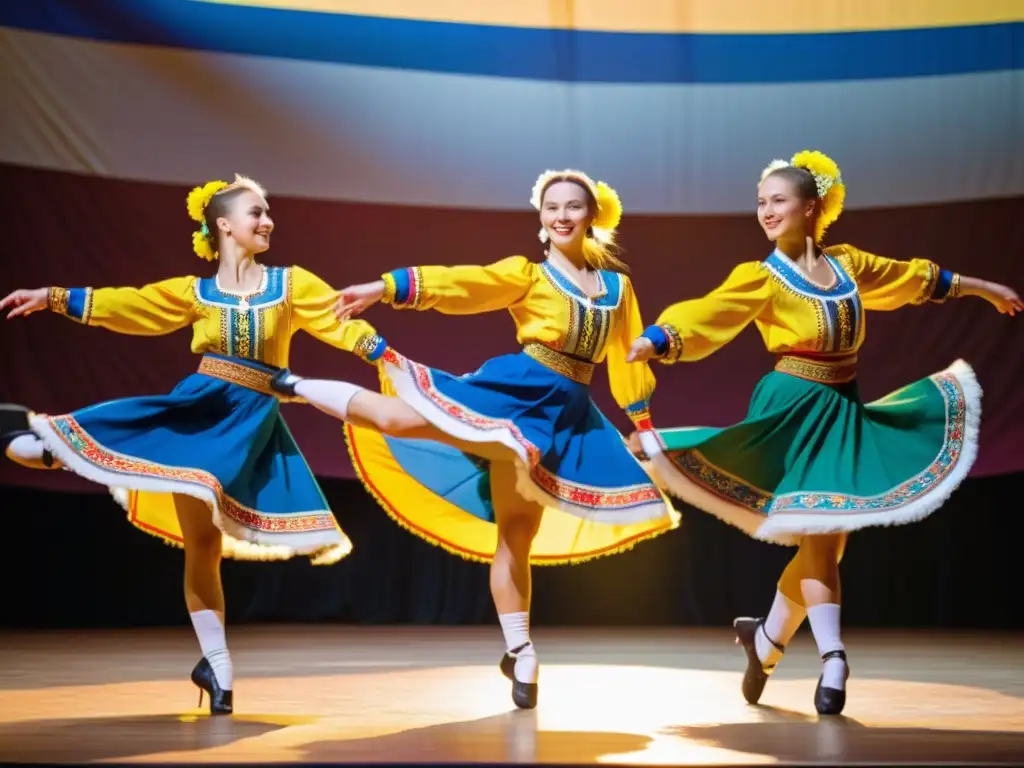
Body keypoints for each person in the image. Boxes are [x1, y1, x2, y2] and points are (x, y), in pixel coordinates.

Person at [626, 150, 1021, 716]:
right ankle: (833, 656)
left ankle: (765, 641)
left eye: (778, 200)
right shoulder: (761, 276)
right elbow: (709, 313)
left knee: (829, 536)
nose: (765, 211)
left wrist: (983, 288)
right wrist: (659, 339)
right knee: (821, 530)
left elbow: (911, 277)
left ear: (812, 206)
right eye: (760, 202)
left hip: (840, 407)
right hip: (792, 407)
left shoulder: (847, 265)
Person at [269, 169, 680, 709]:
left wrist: (641, 420)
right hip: (518, 393)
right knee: (397, 420)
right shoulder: (528, 276)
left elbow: (628, 360)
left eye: (572, 207)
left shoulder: (617, 290)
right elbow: (460, 283)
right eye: (551, 206)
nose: (561, 215)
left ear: (592, 216)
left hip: (568, 414)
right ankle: (297, 384)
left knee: (516, 533)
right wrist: (384, 287)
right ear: (540, 217)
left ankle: (522, 652)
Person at [0, 175, 387, 714]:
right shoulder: (196, 293)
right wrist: (55, 298)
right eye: (256, 212)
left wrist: (383, 355)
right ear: (224, 225)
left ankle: (215, 666)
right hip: (201, 409)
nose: (268, 220)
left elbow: (336, 318)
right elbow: (132, 305)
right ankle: (220, 667)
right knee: (183, 529)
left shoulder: (291, 284)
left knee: (204, 545)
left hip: (251, 421)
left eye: (268, 211)